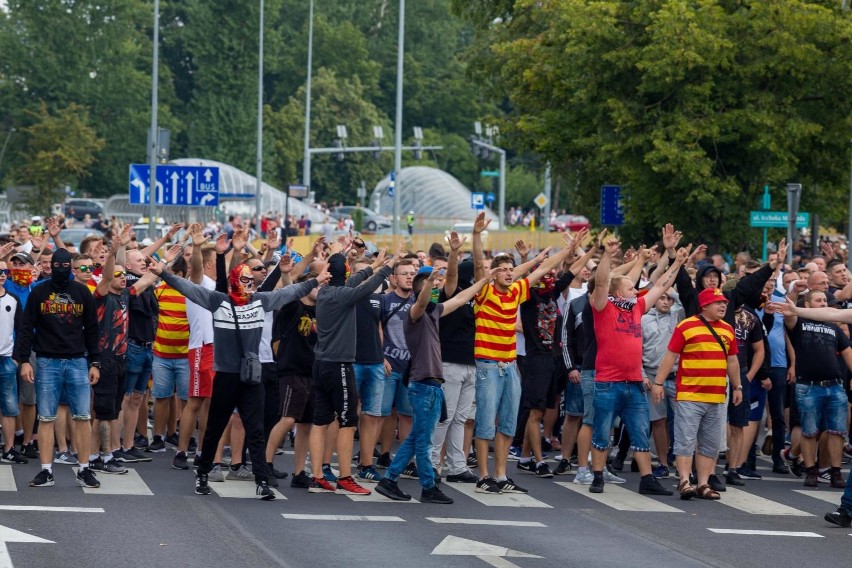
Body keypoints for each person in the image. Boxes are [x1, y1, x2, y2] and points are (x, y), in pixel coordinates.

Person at [151, 256, 328, 500]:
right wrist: (163, 273)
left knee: (255, 431)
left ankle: (262, 482)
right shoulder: (217, 301)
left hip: (251, 378)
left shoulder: (260, 301)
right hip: (225, 376)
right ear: (234, 280)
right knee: (214, 428)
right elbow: (188, 288)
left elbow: (289, 291)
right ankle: (202, 475)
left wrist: (315, 280)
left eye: (250, 281)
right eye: (244, 280)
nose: (249, 285)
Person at [469, 212, 582, 495]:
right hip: (487, 365)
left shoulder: (517, 291)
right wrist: (476, 236)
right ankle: (483, 476)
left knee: (507, 422)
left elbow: (542, 270)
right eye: (503, 269)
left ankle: (501, 474)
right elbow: (480, 273)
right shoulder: (484, 293)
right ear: (494, 274)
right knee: (485, 423)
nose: (509, 272)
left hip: (509, 366)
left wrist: (567, 251)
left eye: (511, 269)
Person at [376, 266, 490, 503]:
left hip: (432, 385)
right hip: (423, 384)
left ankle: (389, 480)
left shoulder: (434, 312)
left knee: (417, 436)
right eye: (432, 286)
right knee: (424, 440)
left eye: (437, 285)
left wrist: (484, 281)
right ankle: (428, 487)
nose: (437, 289)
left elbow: (460, 299)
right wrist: (429, 282)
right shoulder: (414, 314)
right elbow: (422, 299)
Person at [587, 235, 687, 496]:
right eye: (632, 287)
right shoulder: (603, 307)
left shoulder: (636, 307)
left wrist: (677, 263)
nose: (637, 290)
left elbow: (660, 285)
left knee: (641, 431)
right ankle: (597, 475)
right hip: (608, 382)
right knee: (601, 430)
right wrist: (607, 255)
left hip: (633, 382)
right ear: (618, 292)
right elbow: (600, 282)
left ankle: (647, 478)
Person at [309, 242, 396, 495]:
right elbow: (366, 286)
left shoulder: (324, 292)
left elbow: (357, 279)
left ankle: (316, 475)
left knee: (320, 421)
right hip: (340, 366)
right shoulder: (344, 295)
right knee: (348, 421)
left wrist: (375, 265)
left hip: (321, 364)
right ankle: (345, 476)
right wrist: (386, 267)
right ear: (344, 274)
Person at [15, 248, 102, 489]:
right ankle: (46, 470)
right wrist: (23, 360)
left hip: (77, 360)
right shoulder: (39, 292)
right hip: (46, 361)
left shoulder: (82, 292)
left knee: (83, 417)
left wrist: (94, 362)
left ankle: (84, 468)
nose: (61, 270)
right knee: (46, 418)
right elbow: (26, 328)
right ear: (51, 266)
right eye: (57, 265)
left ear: (70, 268)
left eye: (65, 266)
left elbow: (93, 329)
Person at [653, 288, 743, 500]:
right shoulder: (686, 326)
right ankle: (684, 480)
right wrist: (658, 383)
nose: (723, 306)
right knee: (685, 440)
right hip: (689, 394)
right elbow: (670, 356)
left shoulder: (728, 329)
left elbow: (732, 361)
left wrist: (738, 387)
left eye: (724, 303)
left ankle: (702, 483)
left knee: (710, 443)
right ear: (704, 306)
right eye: (717, 303)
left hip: (717, 396)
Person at [775, 292, 851, 488]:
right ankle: (810, 470)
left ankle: (835, 471)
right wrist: (792, 300)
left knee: (837, 431)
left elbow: (848, 353)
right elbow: (789, 313)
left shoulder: (835, 328)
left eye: (825, 300)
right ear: (807, 304)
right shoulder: (799, 323)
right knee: (809, 431)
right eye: (818, 300)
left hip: (834, 385)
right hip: (808, 386)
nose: (824, 303)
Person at [0, 255, 25, 465]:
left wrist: (17, 358)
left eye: (4, 272)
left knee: (9, 406)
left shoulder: (13, 299)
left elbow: (22, 330)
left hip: (7, 359)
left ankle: (8, 449)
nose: (1, 276)